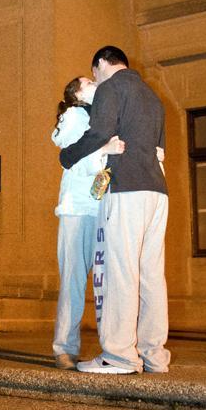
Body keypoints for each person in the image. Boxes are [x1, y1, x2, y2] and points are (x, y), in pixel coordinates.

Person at [60, 46, 169, 375]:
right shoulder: (153, 96)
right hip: (157, 192)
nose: (94, 79)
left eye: (94, 73)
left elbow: (99, 133)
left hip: (127, 188)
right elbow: (160, 150)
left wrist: (68, 156)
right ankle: (154, 355)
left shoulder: (111, 86)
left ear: (102, 64)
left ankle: (119, 356)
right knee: (151, 275)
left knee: (121, 270)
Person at [51, 76, 124, 370]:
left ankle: (113, 347)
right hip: (78, 208)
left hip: (101, 207)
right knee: (73, 279)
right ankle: (64, 348)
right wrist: (104, 149)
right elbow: (69, 152)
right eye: (89, 82)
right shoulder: (74, 115)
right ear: (77, 93)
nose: (96, 83)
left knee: (105, 281)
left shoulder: (100, 117)